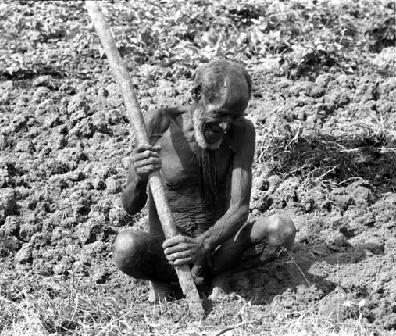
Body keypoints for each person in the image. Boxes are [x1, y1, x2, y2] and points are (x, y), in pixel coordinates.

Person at [114, 59, 296, 301]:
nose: (225, 125)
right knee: (126, 247)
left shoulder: (242, 133)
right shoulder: (158, 124)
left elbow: (239, 208)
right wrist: (138, 174)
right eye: (219, 114)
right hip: (168, 254)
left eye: (234, 116)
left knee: (281, 230)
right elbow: (129, 206)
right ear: (196, 94)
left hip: (217, 252)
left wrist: (202, 244)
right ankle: (163, 278)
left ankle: (219, 275)